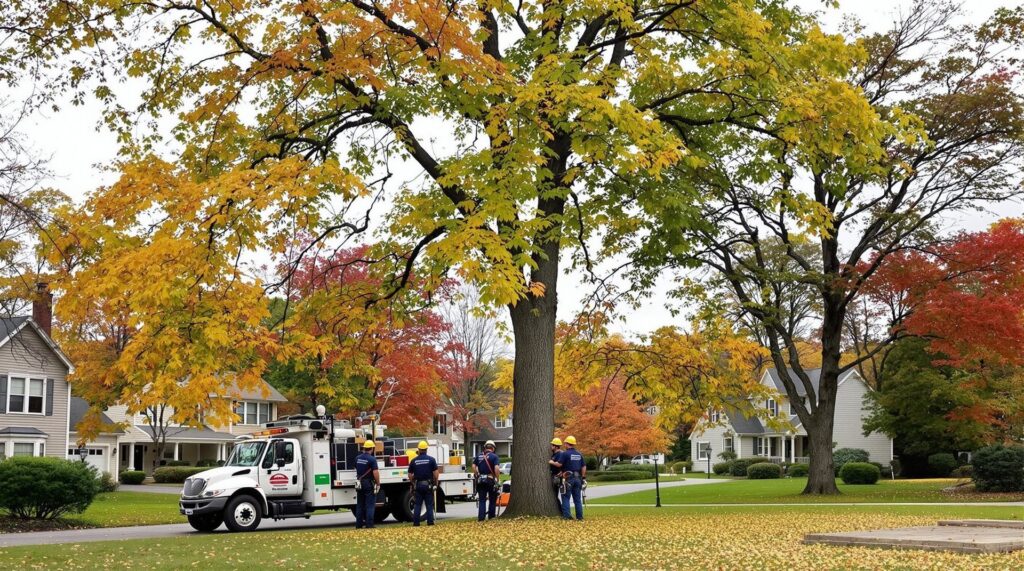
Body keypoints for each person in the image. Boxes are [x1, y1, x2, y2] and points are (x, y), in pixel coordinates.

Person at [408, 440, 439, 526]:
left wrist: (413, 482)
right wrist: (436, 483)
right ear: (426, 449)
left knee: (418, 504)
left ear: (419, 449)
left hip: (418, 485)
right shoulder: (431, 460)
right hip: (428, 485)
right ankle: (430, 522)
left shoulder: (414, 461)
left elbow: (410, 474)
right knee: (429, 504)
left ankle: (416, 523)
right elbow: (436, 474)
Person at [354, 439, 380, 529]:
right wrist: (378, 483)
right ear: (372, 448)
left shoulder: (357, 458)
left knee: (360, 505)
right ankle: (369, 525)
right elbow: (375, 472)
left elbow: (356, 468)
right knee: (370, 505)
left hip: (359, 482)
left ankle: (358, 525)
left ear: (364, 448)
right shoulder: (372, 459)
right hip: (368, 483)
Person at [472, 440, 501, 521]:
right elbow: (497, 468)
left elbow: (473, 466)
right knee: (492, 499)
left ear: (485, 447)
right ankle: (491, 516)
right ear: (493, 448)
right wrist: (497, 480)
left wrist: (477, 474)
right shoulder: (494, 456)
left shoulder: (479, 456)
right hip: (490, 480)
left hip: (481, 480)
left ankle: (481, 518)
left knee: (482, 500)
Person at [560, 435, 586, 520]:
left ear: (567, 444)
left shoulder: (565, 454)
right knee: (577, 499)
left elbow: (560, 464)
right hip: (578, 478)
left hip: (568, 478)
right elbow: (583, 466)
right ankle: (580, 517)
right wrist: (583, 477)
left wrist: (552, 462)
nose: (565, 445)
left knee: (566, 497)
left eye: (565, 443)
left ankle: (567, 516)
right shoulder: (579, 454)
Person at [547, 437, 564, 508]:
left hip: (558, 477)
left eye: (552, 445)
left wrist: (552, 462)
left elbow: (561, 464)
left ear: (556, 446)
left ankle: (561, 510)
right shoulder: (554, 454)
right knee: (554, 494)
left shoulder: (560, 454)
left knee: (555, 495)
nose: (551, 446)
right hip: (554, 475)